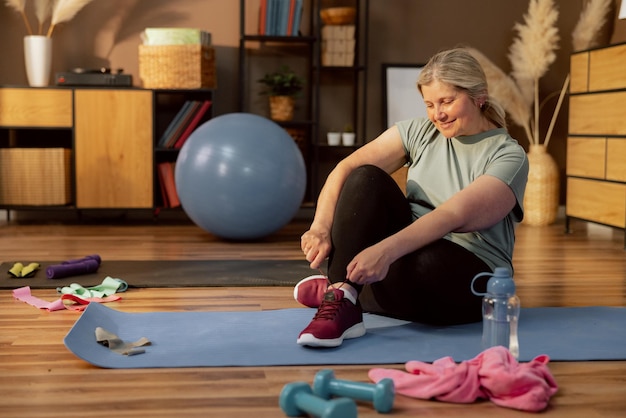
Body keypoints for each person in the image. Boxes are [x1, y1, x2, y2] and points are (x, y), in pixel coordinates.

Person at [294, 47, 529, 348]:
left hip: (467, 267)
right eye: (429, 104)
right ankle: (343, 296)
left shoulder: (508, 155)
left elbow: (452, 215)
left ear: (479, 96)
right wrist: (320, 227)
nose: (437, 114)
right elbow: (346, 168)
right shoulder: (420, 132)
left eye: (447, 101)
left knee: (427, 266)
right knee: (365, 176)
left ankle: (345, 289)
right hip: (405, 249)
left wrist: (385, 251)